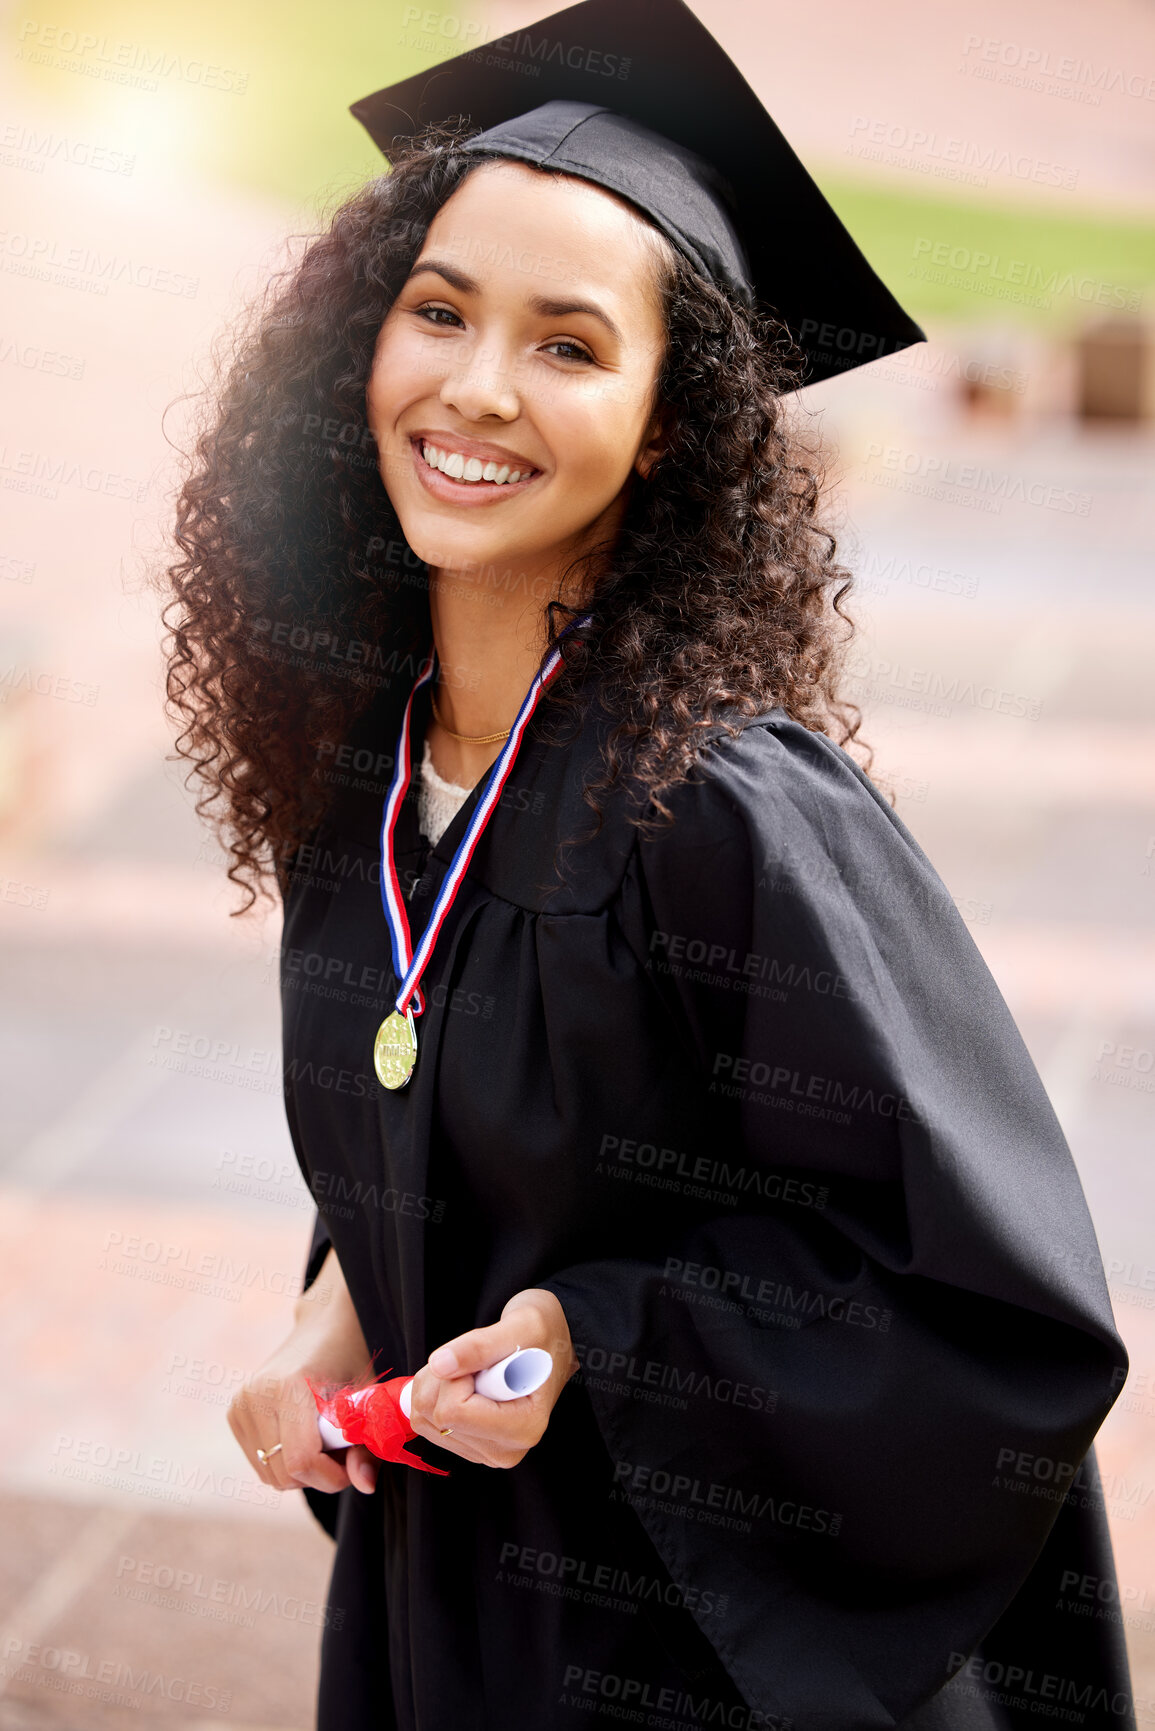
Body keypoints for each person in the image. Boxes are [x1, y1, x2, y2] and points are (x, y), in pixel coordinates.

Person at [160, 1, 1134, 1726]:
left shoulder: (728, 812)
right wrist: (342, 1310)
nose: (473, 387)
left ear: (674, 426)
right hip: (446, 1603)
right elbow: (455, 1113)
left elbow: (981, 1302)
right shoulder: (368, 775)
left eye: (569, 345)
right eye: (439, 311)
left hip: (690, 1652)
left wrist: (590, 1338)